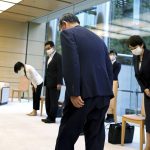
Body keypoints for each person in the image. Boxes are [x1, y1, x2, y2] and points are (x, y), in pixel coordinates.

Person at [55, 13, 113, 150]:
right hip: (103, 95)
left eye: (61, 28)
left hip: (82, 95)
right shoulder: (98, 39)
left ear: (64, 24)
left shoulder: (68, 34)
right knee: (95, 136)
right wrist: (107, 93)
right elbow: (108, 68)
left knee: (66, 135)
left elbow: (71, 63)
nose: (61, 32)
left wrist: (74, 92)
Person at [128, 35, 150, 150]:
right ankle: (148, 145)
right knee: (149, 119)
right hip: (147, 93)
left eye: (134, 47)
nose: (133, 50)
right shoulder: (135, 57)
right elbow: (137, 75)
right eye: (130, 48)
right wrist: (145, 88)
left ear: (141, 45)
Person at [41, 41, 62, 123]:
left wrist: (59, 83)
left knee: (54, 101)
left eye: (49, 48)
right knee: (48, 101)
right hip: (48, 82)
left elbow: (60, 71)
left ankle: (52, 118)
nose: (47, 50)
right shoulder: (47, 57)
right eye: (46, 49)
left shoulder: (59, 57)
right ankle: (48, 116)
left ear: (53, 47)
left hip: (55, 83)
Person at [105, 50, 121, 123]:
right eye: (110, 54)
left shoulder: (118, 64)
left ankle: (111, 117)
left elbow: (115, 74)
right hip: (107, 84)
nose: (111, 55)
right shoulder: (107, 63)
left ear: (116, 56)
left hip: (114, 84)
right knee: (107, 100)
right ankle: (107, 116)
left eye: (113, 54)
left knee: (112, 101)